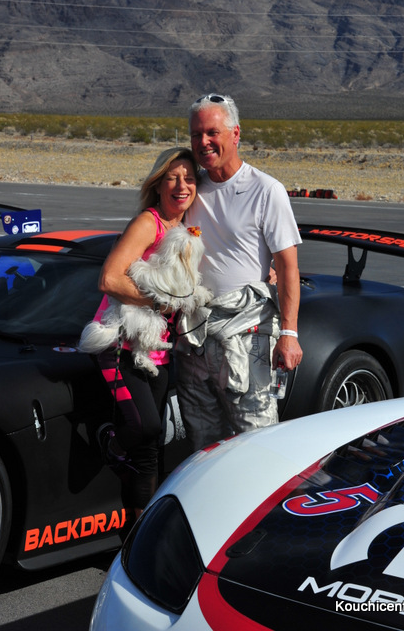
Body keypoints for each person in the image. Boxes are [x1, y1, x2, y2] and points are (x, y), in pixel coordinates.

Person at [175, 93, 303, 452]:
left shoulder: (266, 190)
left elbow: (288, 267)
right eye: (196, 134)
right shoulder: (189, 189)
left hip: (247, 338)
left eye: (212, 132)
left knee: (255, 442)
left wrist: (289, 333)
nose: (203, 142)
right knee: (202, 447)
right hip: (195, 340)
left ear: (235, 134)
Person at [95, 147, 199, 533]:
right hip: (119, 345)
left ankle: (137, 534)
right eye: (172, 177)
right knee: (147, 429)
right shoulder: (148, 223)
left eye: (189, 178)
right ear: (158, 185)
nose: (181, 185)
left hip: (158, 350)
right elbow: (109, 279)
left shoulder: (188, 230)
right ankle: (110, 443)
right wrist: (161, 301)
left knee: (150, 451)